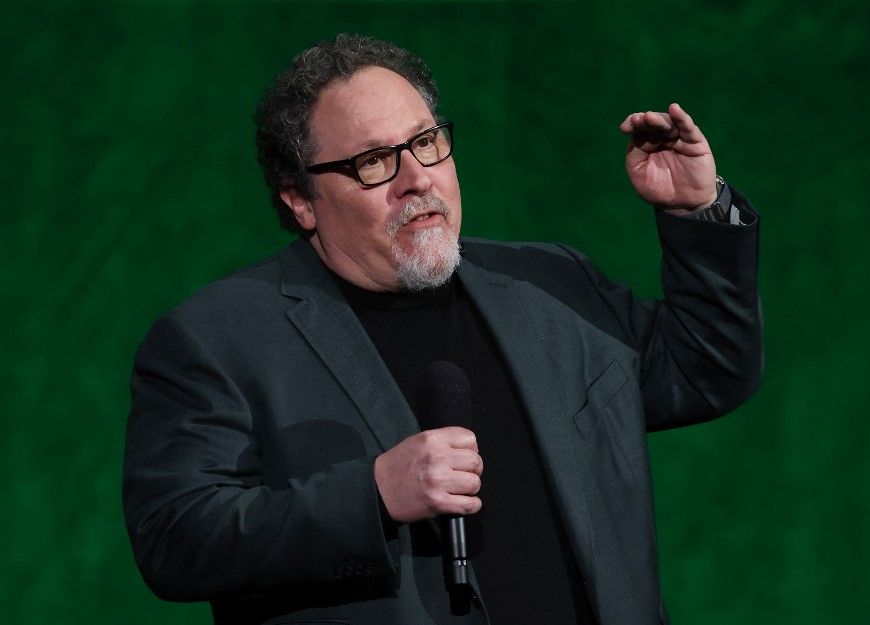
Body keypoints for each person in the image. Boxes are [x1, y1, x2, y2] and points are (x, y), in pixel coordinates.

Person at [123, 33, 762, 625]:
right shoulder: (218, 339)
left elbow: (705, 371)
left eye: (426, 142)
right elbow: (176, 539)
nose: (417, 178)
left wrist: (695, 213)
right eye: (374, 161)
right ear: (299, 198)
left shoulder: (548, 283)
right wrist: (369, 497)